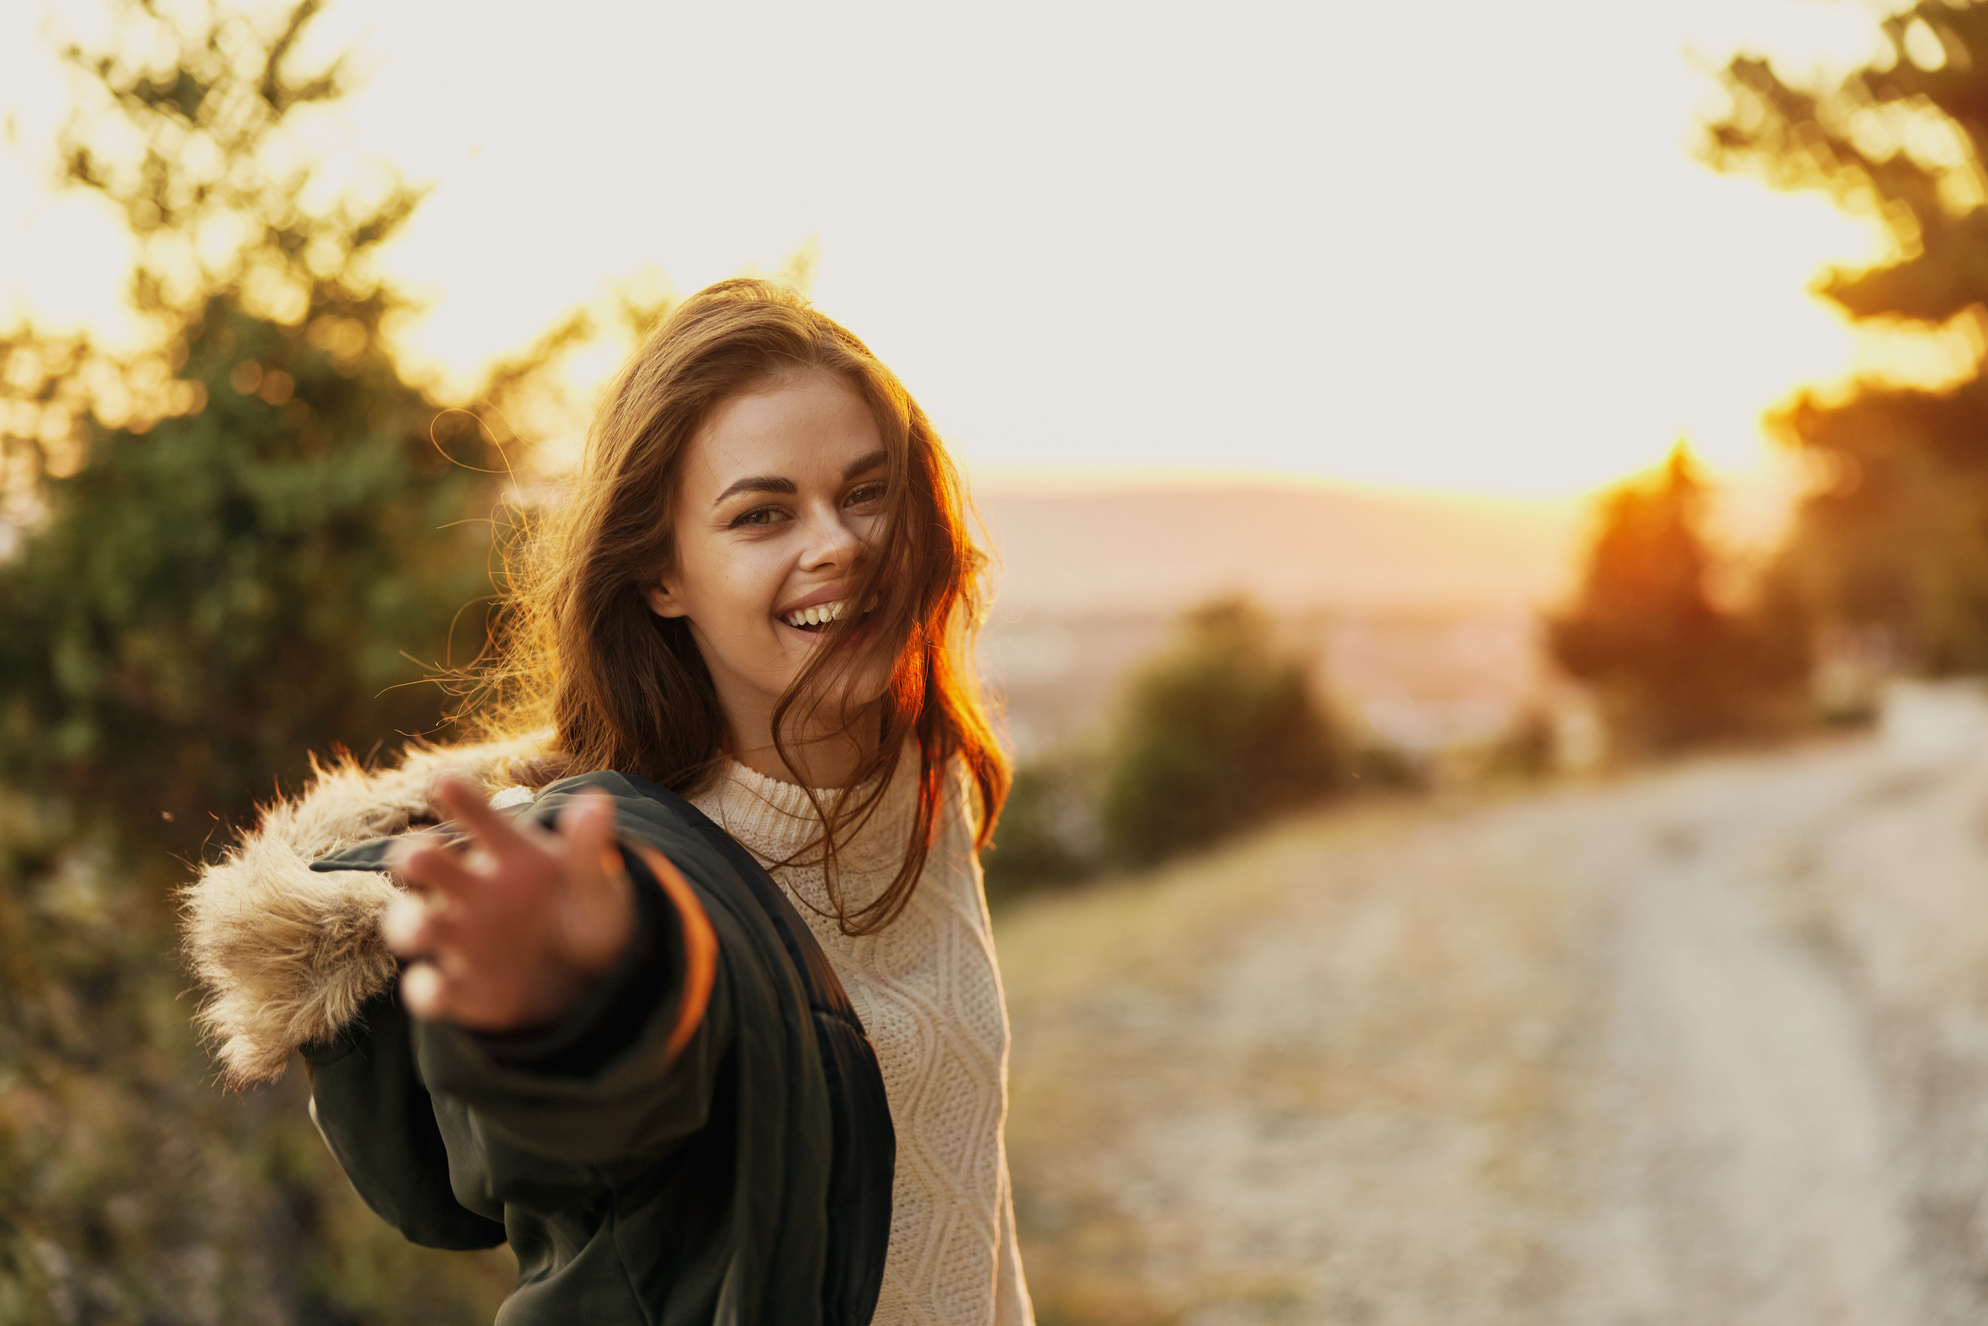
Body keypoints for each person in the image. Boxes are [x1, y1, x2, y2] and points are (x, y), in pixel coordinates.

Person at [181, 279, 1033, 1325]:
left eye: (865, 492)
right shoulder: (626, 869)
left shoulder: (920, 773)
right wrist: (546, 1005)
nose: (840, 543)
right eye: (761, 514)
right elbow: (603, 1087)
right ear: (662, 575)